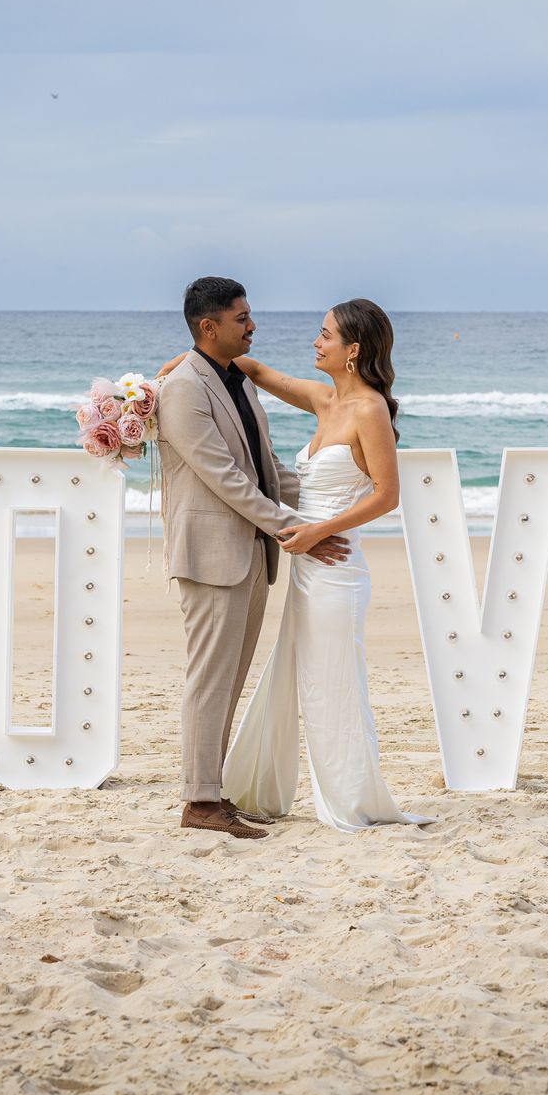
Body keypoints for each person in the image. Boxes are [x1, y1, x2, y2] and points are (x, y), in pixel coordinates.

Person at [157, 296, 433, 834]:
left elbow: (387, 495)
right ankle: (241, 789)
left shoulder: (370, 410)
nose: (316, 340)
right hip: (305, 560)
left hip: (332, 561)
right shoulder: (322, 399)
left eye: (326, 334)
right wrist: (176, 368)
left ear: (352, 351)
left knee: (333, 682)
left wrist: (317, 531)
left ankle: (350, 800)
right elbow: (249, 368)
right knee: (290, 678)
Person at [152, 278, 349, 839]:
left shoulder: (236, 380)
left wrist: (331, 509)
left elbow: (265, 468)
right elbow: (225, 478)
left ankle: (210, 794)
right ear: (208, 327)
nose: (253, 325)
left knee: (228, 681)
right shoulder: (184, 388)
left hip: (251, 552)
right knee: (209, 681)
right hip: (212, 556)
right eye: (242, 318)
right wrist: (299, 530)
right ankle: (199, 803)